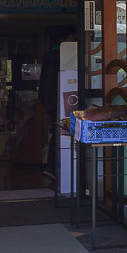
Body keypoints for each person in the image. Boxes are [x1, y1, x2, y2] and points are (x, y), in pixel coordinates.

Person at [39, 26, 75, 182]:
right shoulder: (68, 55)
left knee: (57, 133)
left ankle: (53, 168)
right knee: (67, 133)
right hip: (67, 99)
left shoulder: (49, 57)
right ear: (69, 37)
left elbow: (43, 83)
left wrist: (46, 102)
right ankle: (58, 169)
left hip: (52, 102)